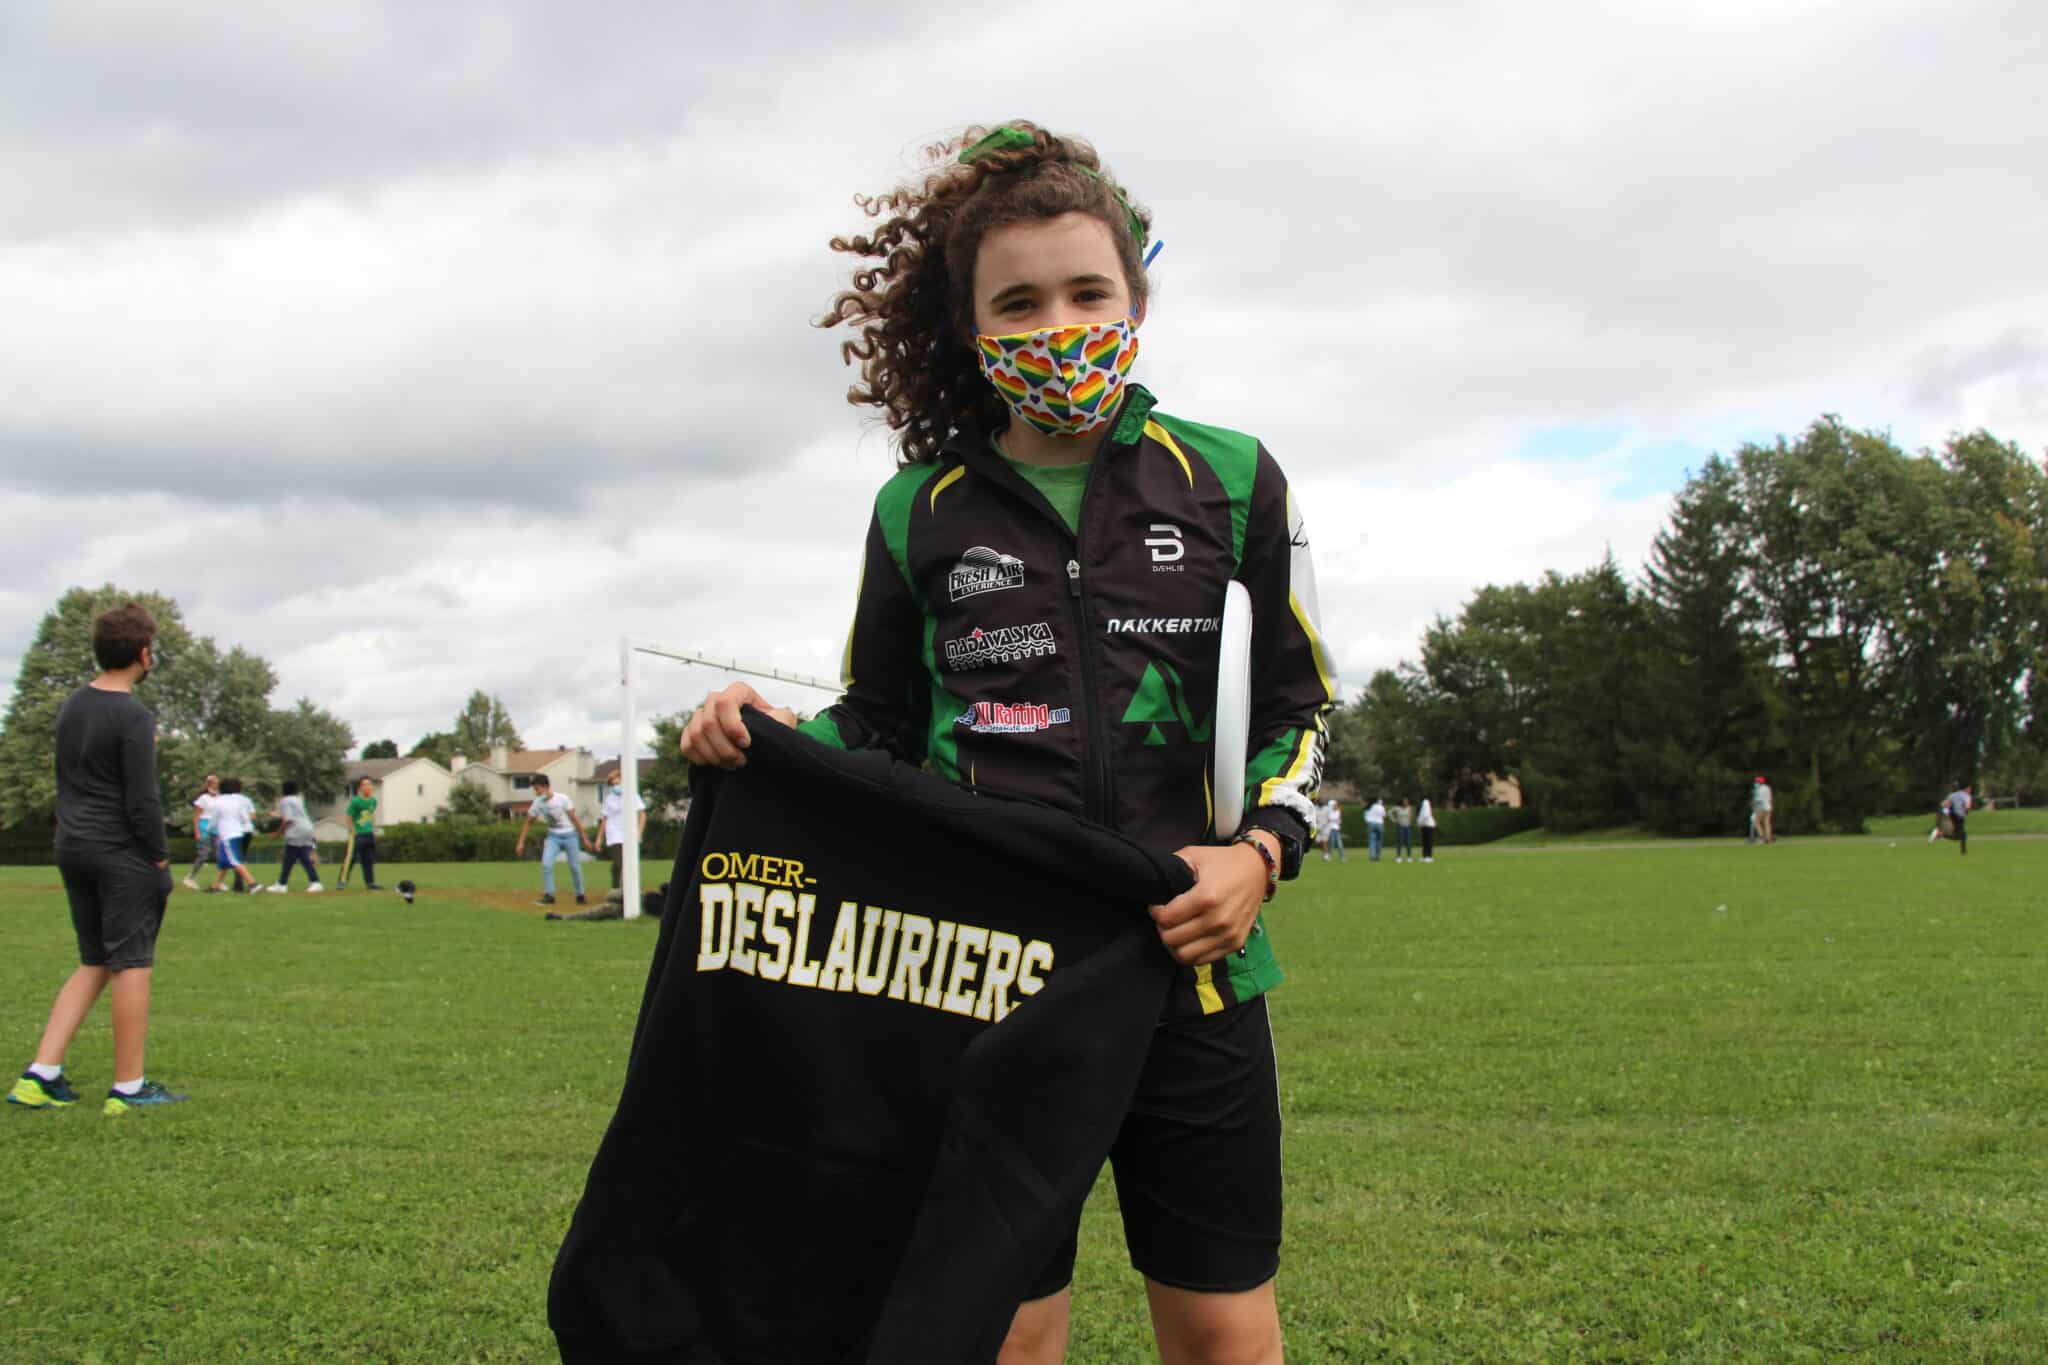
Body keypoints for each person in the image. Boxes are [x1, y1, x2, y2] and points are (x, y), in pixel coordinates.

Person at [680, 120, 1333, 1365]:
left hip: (1193, 971)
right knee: (1005, 1339)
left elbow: (1298, 710)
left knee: (1226, 1342)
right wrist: (773, 736)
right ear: (969, 329)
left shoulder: (1233, 478)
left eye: (1087, 293)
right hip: (986, 985)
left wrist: (1257, 853)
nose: (1057, 327)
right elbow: (876, 720)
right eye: (1018, 305)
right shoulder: (916, 509)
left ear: (1137, 298)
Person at [8, 602, 188, 1115]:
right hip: (120, 853)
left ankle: (41, 1075)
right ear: (145, 654)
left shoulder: (72, 706)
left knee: (95, 960)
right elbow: (142, 799)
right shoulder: (134, 717)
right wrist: (158, 856)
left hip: (73, 847)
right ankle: (129, 1087)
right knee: (131, 964)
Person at [516, 773, 594, 908]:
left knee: (574, 866)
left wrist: (584, 838)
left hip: (570, 836)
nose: (536, 792)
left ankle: (580, 895)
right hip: (553, 837)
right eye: (535, 790)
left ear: (546, 787)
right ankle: (549, 896)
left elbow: (574, 819)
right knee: (546, 864)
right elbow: (528, 822)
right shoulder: (538, 803)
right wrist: (520, 842)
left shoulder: (562, 799)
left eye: (537, 789)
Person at [206, 776, 263, 894]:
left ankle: (253, 884)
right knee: (224, 862)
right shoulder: (238, 801)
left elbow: (213, 820)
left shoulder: (218, 801)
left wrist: (208, 829)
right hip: (239, 833)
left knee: (235, 860)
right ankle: (215, 886)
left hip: (227, 835)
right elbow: (245, 818)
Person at [268, 780, 323, 893]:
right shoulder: (298, 800)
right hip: (307, 828)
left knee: (290, 857)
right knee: (302, 856)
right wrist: (278, 815)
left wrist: (278, 833)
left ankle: (282, 884)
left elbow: (288, 820)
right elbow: (295, 815)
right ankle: (314, 882)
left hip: (296, 830)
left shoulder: (285, 801)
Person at [597, 766, 646, 892]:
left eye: (617, 783)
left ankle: (620, 887)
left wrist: (639, 833)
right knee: (621, 862)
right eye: (613, 784)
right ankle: (622, 890)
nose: (615, 786)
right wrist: (599, 839)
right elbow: (604, 819)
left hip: (630, 833)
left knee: (623, 864)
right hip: (614, 834)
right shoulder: (609, 799)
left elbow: (642, 815)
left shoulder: (632, 795)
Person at [341, 776, 385, 891]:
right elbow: (349, 816)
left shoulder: (373, 801)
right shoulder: (356, 801)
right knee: (351, 858)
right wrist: (353, 830)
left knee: (368, 859)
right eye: (365, 784)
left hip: (368, 833)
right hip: (357, 834)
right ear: (360, 787)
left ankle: (370, 882)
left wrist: (373, 828)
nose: (368, 787)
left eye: (370, 784)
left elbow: (370, 815)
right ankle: (342, 881)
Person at [184, 773, 218, 889]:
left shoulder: (220, 797)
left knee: (220, 855)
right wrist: (197, 832)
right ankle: (190, 878)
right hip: (204, 827)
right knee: (203, 855)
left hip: (216, 828)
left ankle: (218, 881)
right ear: (209, 785)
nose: (217, 785)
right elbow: (196, 817)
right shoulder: (203, 799)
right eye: (215, 783)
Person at [1941, 781, 1972, 856]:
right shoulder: (1964, 795)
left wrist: (1946, 812)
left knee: (1958, 834)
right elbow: (1967, 806)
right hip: (1958, 816)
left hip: (1954, 815)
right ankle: (1963, 852)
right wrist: (1967, 810)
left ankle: (1942, 835)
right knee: (1962, 834)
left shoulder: (1951, 795)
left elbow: (1944, 805)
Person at [1751, 775, 1774, 845]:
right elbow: (1770, 798)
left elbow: (1758, 800)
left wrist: (1755, 808)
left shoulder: (1758, 789)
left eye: (1757, 781)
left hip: (1761, 807)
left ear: (1759, 782)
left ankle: (1761, 837)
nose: (1756, 783)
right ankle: (1769, 839)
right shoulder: (1767, 788)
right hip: (1768, 807)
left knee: (1756, 822)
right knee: (1767, 823)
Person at [1321, 797, 1346, 862]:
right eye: (1335, 804)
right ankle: (1329, 856)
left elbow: (1339, 820)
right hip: (1330, 829)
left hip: (1336, 829)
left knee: (1339, 844)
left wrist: (1335, 820)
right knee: (1331, 844)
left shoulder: (1338, 811)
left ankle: (1342, 857)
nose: (1336, 806)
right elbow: (1329, 820)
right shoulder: (1329, 812)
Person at [1363, 796, 1386, 862]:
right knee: (1379, 841)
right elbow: (1384, 816)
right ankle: (1377, 856)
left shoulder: (1368, 807)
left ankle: (1372, 856)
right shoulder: (1381, 807)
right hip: (1379, 824)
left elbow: (1366, 817)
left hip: (1371, 824)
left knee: (1372, 841)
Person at [1392, 798, 1415, 862]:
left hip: (1407, 826)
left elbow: (1412, 815)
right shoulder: (1397, 808)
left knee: (1408, 842)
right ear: (1402, 802)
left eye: (1407, 802)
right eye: (1404, 802)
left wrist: (1410, 820)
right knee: (1400, 842)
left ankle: (1409, 857)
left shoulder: (1409, 808)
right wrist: (1394, 820)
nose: (1405, 803)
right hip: (1400, 827)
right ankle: (1398, 857)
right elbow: (1389, 812)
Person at [1417, 796, 1437, 863]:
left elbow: (1425, 815)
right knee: (1425, 842)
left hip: (1428, 826)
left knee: (1428, 842)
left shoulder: (1425, 803)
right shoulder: (1424, 805)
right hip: (1425, 826)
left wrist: (1420, 823)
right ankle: (1424, 856)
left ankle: (1429, 856)